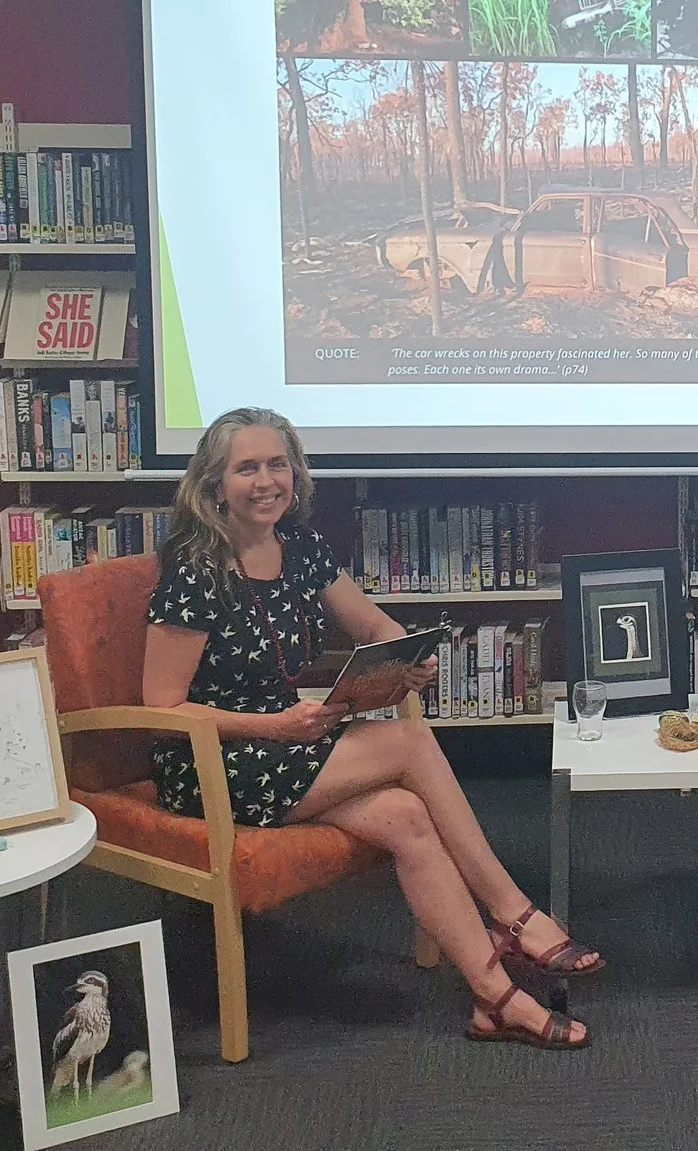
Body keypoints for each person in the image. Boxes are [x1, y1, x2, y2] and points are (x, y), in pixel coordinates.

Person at [141, 407, 601, 1051]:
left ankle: (495, 998)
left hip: (288, 744)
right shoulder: (194, 572)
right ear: (215, 484)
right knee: (407, 743)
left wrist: (406, 659)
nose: (266, 481)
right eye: (246, 468)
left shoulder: (299, 547)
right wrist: (273, 726)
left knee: (407, 817)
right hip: (215, 763)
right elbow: (163, 708)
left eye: (277, 464)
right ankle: (513, 911)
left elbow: (375, 626)